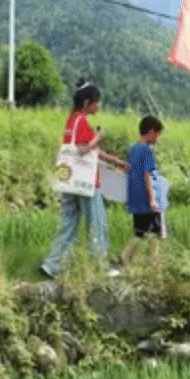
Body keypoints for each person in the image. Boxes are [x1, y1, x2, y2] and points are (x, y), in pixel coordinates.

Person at [41, 81, 127, 278]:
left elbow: (86, 148)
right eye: (96, 102)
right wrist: (99, 136)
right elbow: (84, 149)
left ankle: (52, 265)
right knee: (97, 223)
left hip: (68, 180)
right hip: (86, 182)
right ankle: (99, 266)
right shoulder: (81, 121)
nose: (98, 106)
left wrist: (114, 161)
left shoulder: (71, 120)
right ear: (88, 103)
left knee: (68, 223)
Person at [117, 115, 165, 269]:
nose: (158, 139)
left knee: (139, 232)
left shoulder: (133, 149)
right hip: (146, 198)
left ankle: (124, 257)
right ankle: (154, 264)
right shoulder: (147, 151)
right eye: (157, 134)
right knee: (155, 233)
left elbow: (128, 170)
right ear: (151, 132)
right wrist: (153, 199)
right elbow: (147, 174)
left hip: (135, 197)